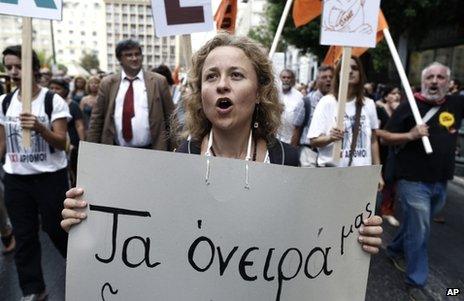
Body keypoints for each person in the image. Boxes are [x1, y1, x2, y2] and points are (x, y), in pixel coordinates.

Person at [61, 33, 383, 257]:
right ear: (201, 93)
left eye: (236, 75)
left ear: (259, 92)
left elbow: (319, 239)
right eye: (211, 76)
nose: (222, 84)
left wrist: (356, 239)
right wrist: (89, 219)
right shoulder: (181, 160)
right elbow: (144, 235)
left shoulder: (291, 162)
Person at [381, 62, 464, 300]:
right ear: (423, 80)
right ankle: (416, 281)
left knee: (420, 223)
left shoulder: (456, 103)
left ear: (449, 83)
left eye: (440, 77)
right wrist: (410, 135)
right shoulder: (410, 106)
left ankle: (395, 249)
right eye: (430, 77)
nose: (435, 81)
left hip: (441, 181)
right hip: (412, 181)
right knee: (421, 230)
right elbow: (384, 137)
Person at [0, 45, 71, 301]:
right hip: (17, 178)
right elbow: (2, 144)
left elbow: (63, 143)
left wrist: (41, 128)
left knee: (56, 228)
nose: (13, 72)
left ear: (32, 68)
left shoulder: (53, 100)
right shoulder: (4, 102)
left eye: (18, 66)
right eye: (8, 67)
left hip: (49, 177)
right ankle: (33, 289)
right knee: (24, 235)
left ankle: (79, 271)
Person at [86, 39, 175, 150]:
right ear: (120, 59)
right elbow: (96, 120)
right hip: (116, 150)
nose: (134, 58)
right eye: (129, 55)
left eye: (137, 54)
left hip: (152, 150)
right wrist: (91, 150)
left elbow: (171, 118)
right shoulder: (108, 83)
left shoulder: (158, 81)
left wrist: (174, 150)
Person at [308, 56, 382, 177]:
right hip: (332, 175)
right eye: (345, 68)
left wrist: (377, 173)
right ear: (338, 74)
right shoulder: (327, 102)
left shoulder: (368, 104)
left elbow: (373, 140)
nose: (350, 71)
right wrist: (330, 138)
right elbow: (313, 141)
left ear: (360, 74)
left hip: (361, 175)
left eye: (354, 68)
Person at [294, 65, 334, 167]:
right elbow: (297, 129)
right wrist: (292, 154)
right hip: (309, 154)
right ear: (317, 80)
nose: (328, 80)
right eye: (324, 77)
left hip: (330, 155)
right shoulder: (306, 101)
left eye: (331, 77)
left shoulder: (339, 103)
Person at [49, 78, 86, 186]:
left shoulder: (73, 105)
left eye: (57, 88)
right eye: (51, 88)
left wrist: (83, 145)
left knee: (73, 172)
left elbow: (79, 126)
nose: (54, 91)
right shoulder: (47, 105)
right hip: (53, 144)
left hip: (72, 145)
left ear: (65, 90)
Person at [375, 85, 401, 227]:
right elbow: (375, 131)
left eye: (398, 93)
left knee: (391, 181)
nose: (396, 96)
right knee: (379, 181)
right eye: (393, 93)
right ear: (386, 96)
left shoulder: (399, 111)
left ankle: (387, 210)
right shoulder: (379, 110)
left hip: (394, 152)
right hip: (380, 150)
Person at [277, 69, 304, 146]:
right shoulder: (274, 94)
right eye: (284, 77)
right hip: (275, 138)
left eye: (289, 78)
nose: (286, 80)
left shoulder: (299, 96)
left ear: (292, 80)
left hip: (290, 140)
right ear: (280, 78)